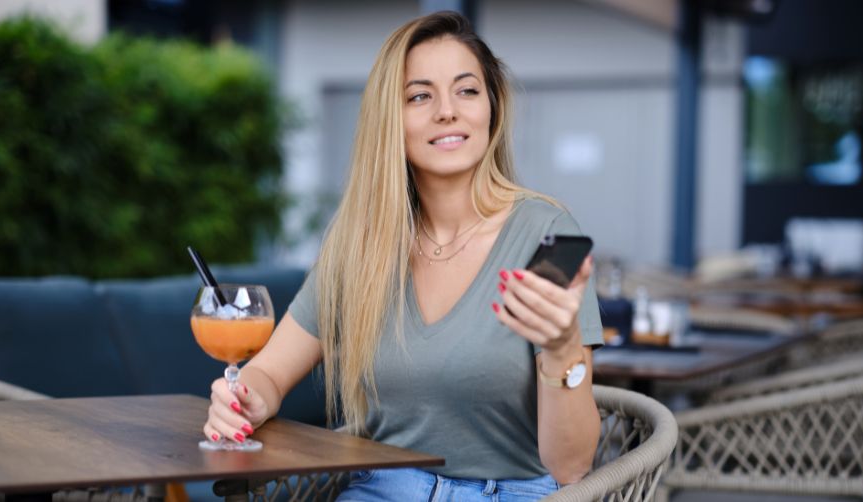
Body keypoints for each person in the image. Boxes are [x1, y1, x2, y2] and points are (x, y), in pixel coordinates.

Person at [203, 11, 604, 500]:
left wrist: (562, 350)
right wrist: (243, 400)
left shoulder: (544, 232)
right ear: (390, 118)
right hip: (382, 489)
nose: (447, 111)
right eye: (420, 96)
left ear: (492, 108)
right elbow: (267, 372)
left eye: (467, 90)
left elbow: (572, 467)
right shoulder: (360, 245)